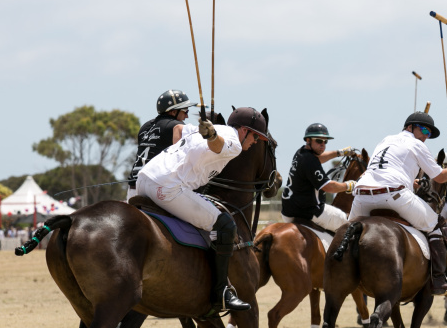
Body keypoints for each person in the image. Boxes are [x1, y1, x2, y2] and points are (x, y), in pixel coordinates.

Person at [137, 107, 270, 314]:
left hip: (144, 180)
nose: (255, 142)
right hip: (167, 188)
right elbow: (219, 145)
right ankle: (221, 292)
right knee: (225, 224)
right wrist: (212, 136)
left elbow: (183, 131)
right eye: (255, 136)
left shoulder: (201, 129)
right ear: (244, 130)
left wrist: (207, 131)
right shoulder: (234, 142)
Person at [349, 111, 447, 296]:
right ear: (410, 127)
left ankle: (336, 270)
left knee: (345, 234)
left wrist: (411, 183)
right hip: (393, 195)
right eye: (424, 130)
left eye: (429, 133)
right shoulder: (417, 145)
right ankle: (439, 279)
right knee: (437, 225)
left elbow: (384, 171)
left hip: (361, 196)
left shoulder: (385, 140)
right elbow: (440, 177)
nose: (426, 136)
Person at [280, 123, 358, 232]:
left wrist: (339, 153)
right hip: (308, 212)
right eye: (319, 141)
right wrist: (350, 185)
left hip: (287, 212)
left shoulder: (301, 152)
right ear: (308, 140)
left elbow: (319, 158)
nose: (323, 145)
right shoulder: (310, 161)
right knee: (349, 225)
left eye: (325, 141)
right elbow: (329, 187)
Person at [126, 90, 198, 200]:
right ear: (173, 112)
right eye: (185, 111)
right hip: (154, 187)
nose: (187, 116)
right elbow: (182, 159)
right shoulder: (177, 126)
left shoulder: (145, 127)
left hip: (133, 189)